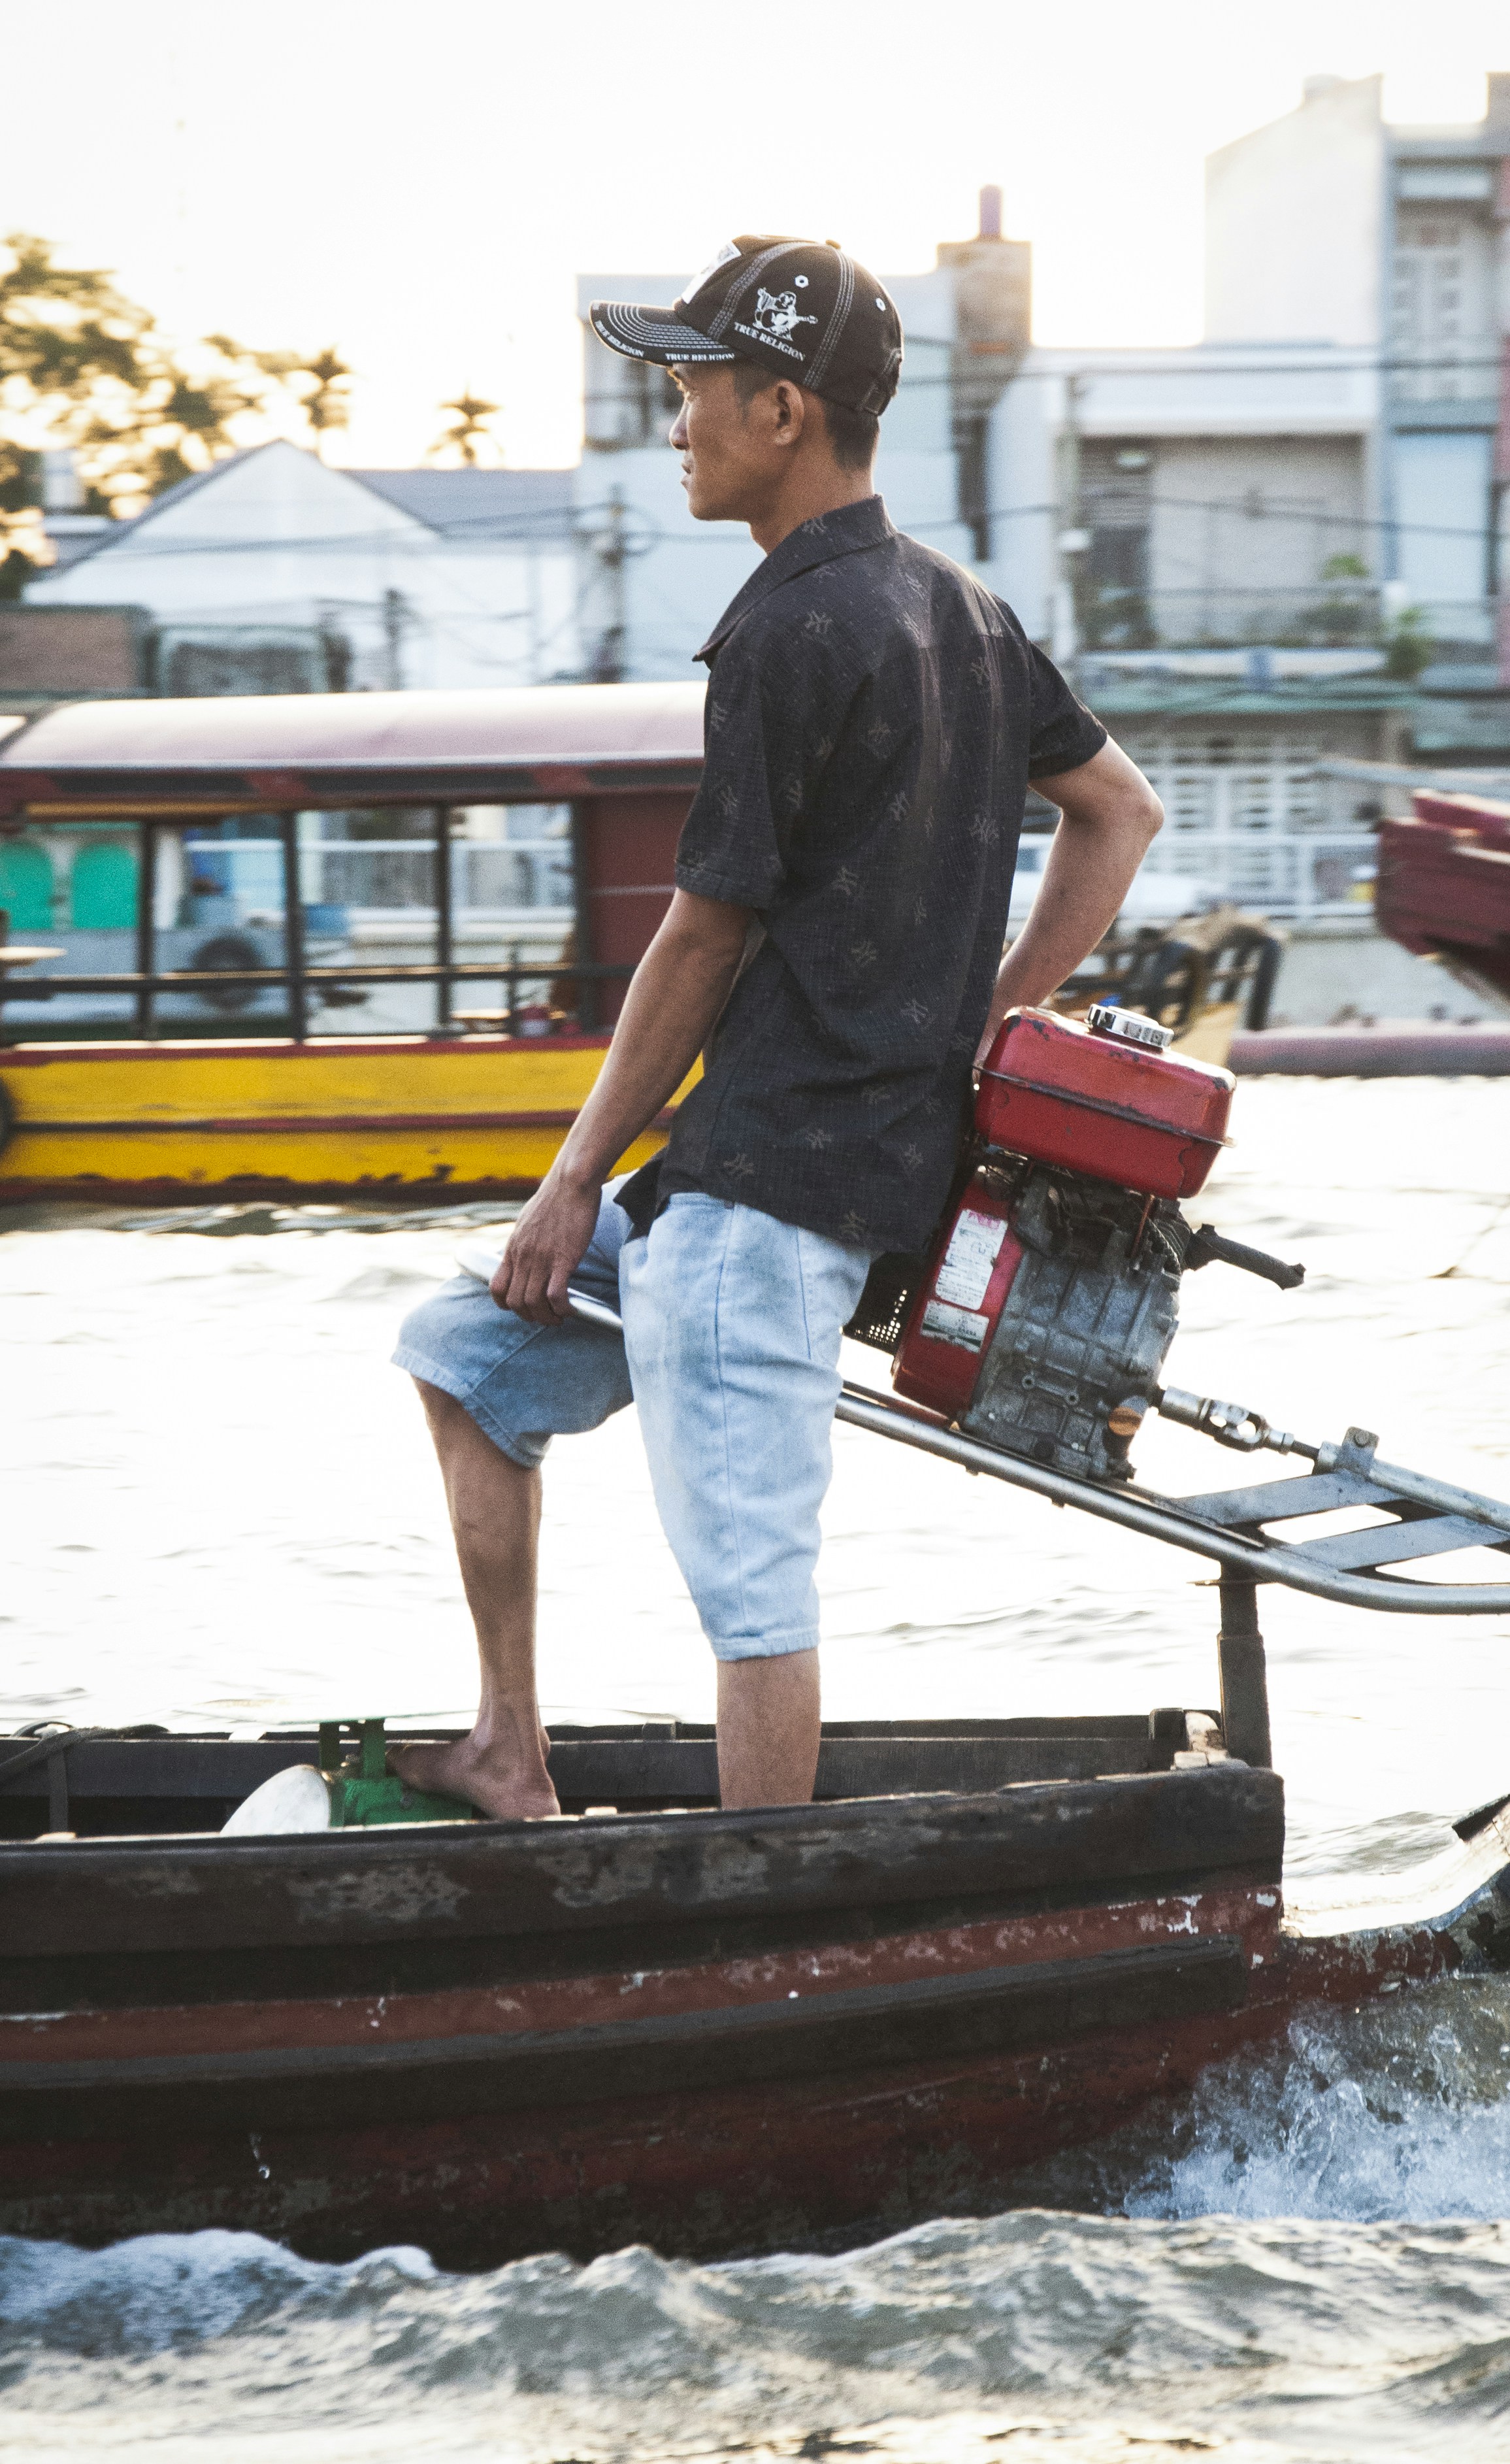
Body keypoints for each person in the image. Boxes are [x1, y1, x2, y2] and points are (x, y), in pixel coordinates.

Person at [391, 233, 1162, 1821]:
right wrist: (988, 1022)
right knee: (466, 1356)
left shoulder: (788, 629)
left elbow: (701, 931)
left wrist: (566, 1175)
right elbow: (1117, 813)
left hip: (772, 1198)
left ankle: (767, 1923)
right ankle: (506, 1750)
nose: (673, 419)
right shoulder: (961, 610)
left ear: (784, 411)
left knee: (751, 1588)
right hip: (777, 1165)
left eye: (690, 388)